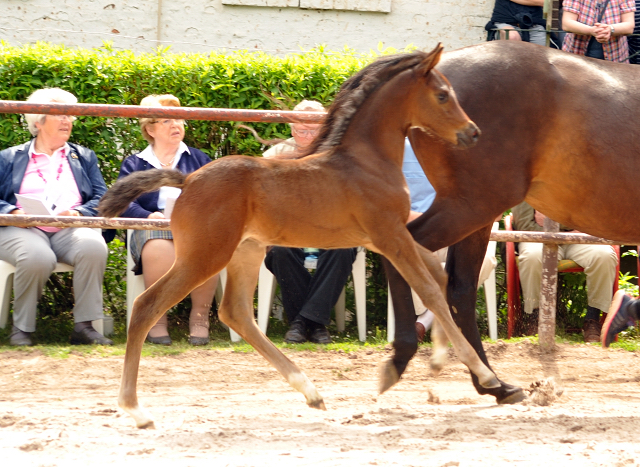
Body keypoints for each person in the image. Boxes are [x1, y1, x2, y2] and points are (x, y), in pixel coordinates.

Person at [0, 88, 111, 346]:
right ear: (38, 122)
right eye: (59, 114)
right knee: (38, 256)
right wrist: (13, 212)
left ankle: (84, 326)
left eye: (70, 115)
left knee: (94, 247)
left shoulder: (83, 156)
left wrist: (77, 213)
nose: (67, 120)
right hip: (22, 229)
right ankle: (22, 329)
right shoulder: (8, 157)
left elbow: (102, 198)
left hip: (68, 228)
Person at [117, 94, 217, 346]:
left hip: (193, 229)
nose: (176, 125)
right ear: (150, 129)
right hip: (151, 227)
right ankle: (157, 318)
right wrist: (149, 215)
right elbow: (125, 202)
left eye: (179, 118)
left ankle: (200, 317)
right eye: (166, 120)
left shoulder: (199, 159)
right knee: (159, 246)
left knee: (209, 247)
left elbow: (217, 197)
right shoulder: (135, 163)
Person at [263, 100, 357, 344]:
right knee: (281, 252)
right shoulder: (276, 154)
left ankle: (301, 323)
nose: (307, 134)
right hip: (288, 230)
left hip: (331, 229)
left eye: (313, 128)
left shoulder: (339, 152)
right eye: (301, 129)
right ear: (291, 127)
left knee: (343, 250)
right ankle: (314, 324)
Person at [402, 139, 497, 342]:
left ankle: (424, 322)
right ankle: (440, 317)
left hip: (459, 233)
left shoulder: (467, 150)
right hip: (420, 235)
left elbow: (495, 212)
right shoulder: (400, 148)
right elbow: (388, 204)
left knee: (486, 259)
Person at [511, 201, 618, 342]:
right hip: (539, 237)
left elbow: (595, 219)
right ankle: (534, 318)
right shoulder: (528, 183)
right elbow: (524, 226)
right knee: (532, 258)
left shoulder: (582, 180)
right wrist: (570, 224)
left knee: (604, 256)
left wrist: (553, 221)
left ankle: (593, 319)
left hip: (579, 237)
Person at [562, 0, 635, 62]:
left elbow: (629, 26)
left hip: (614, 58)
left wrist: (610, 29)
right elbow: (567, 23)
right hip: (577, 56)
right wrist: (590, 30)